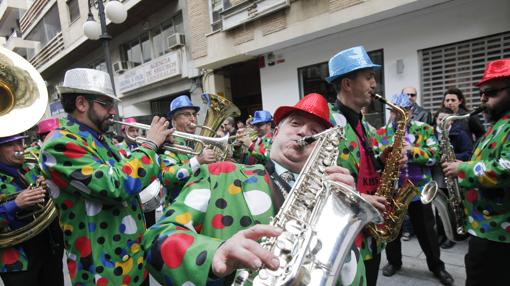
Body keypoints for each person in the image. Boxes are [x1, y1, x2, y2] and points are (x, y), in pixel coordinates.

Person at [142, 93, 368, 286]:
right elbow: (156, 239)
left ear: (322, 146)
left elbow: (353, 278)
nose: (304, 133)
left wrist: (339, 210)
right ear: (276, 132)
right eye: (296, 124)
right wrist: (213, 254)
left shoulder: (328, 198)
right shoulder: (220, 173)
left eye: (315, 131)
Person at [39, 68, 173, 286]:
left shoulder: (102, 139)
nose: (113, 111)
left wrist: (157, 149)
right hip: (102, 267)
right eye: (106, 104)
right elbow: (115, 185)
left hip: (131, 259)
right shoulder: (60, 144)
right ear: (81, 103)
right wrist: (150, 145)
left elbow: (131, 173)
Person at [325, 45, 389, 286]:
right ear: (347, 84)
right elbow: (311, 178)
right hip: (342, 235)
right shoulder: (325, 122)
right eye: (368, 77)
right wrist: (359, 198)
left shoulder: (365, 124)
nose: (374, 84)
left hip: (370, 229)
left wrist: (382, 161)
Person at [442, 58, 510, 286]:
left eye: (490, 92)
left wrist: (462, 168)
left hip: (497, 234)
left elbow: (507, 167)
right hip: (484, 227)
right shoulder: (498, 125)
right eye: (481, 93)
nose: (482, 99)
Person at [378, 93, 454, 286]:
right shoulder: (382, 133)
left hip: (419, 191)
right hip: (393, 191)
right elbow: (377, 157)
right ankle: (394, 262)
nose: (400, 114)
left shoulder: (425, 130)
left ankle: (437, 266)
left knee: (427, 232)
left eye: (405, 111)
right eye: (396, 111)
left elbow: (435, 155)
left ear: (412, 111)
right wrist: (388, 155)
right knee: (392, 231)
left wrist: (410, 153)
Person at [0, 134, 64, 286]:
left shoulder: (32, 167)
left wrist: (50, 186)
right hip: (18, 258)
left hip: (49, 247)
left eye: (20, 142)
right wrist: (15, 204)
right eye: (10, 145)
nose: (19, 148)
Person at [160, 95, 216, 206]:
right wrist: (198, 161)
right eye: (186, 114)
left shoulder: (200, 141)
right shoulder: (167, 143)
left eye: (194, 114)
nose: (193, 119)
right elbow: (166, 177)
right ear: (174, 120)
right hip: (179, 207)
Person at [433, 107, 474, 249]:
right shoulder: (431, 133)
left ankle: (453, 233)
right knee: (440, 209)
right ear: (435, 119)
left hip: (453, 176)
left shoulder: (460, 133)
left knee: (453, 205)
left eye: (445, 118)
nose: (442, 121)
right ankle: (441, 233)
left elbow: (469, 153)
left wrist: (451, 158)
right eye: (439, 118)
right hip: (438, 176)